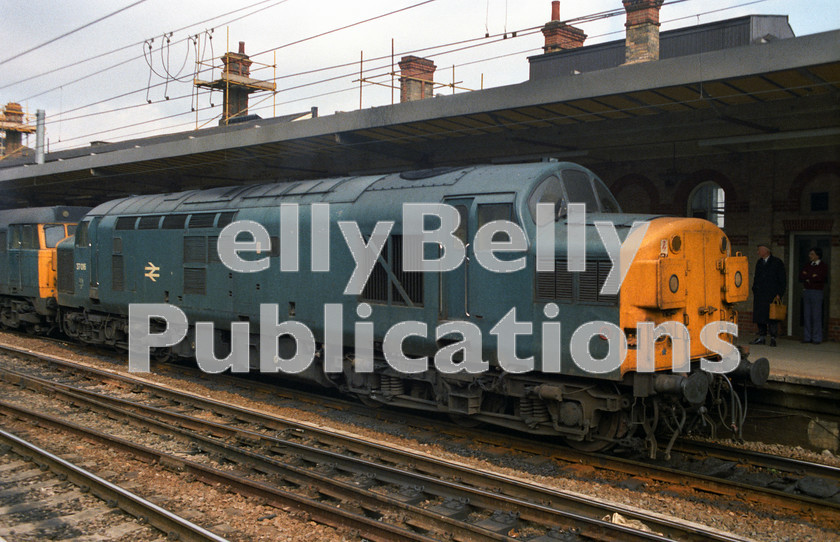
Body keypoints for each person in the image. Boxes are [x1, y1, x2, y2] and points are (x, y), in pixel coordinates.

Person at [751, 244, 786, 346]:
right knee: (760, 315)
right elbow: (756, 277)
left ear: (766, 251)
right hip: (760, 294)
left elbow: (782, 279)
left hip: (772, 294)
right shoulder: (759, 262)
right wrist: (755, 289)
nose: (758, 252)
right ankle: (762, 336)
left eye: (759, 250)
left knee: (772, 316)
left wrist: (780, 293)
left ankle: (773, 337)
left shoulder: (777, 262)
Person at [799, 247, 828, 344]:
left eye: (812, 254)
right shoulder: (807, 265)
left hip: (817, 292)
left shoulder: (823, 266)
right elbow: (802, 276)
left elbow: (820, 278)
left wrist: (809, 277)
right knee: (807, 315)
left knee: (816, 315)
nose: (809, 256)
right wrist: (812, 276)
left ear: (817, 255)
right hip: (807, 291)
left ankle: (817, 338)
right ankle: (807, 337)